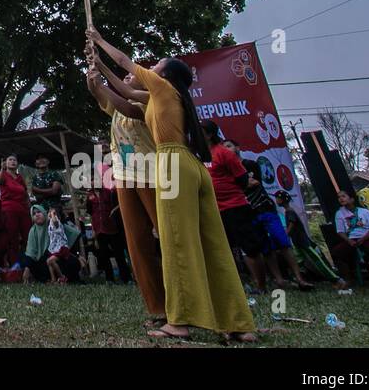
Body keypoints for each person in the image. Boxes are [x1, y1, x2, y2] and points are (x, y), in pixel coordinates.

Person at [87, 27, 255, 342]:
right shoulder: (162, 98)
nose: (149, 71)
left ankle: (178, 321)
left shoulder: (162, 88)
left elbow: (125, 60)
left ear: (165, 75)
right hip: (191, 167)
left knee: (177, 244)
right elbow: (123, 97)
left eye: (155, 67)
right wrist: (98, 65)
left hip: (171, 166)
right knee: (212, 246)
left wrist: (99, 41)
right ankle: (238, 323)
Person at [87, 65, 165, 323]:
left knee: (166, 238)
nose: (127, 77)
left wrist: (103, 70)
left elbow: (126, 106)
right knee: (137, 242)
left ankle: (184, 299)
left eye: (132, 76)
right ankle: (157, 308)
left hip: (152, 173)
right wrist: (93, 80)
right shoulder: (120, 105)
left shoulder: (154, 102)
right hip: (124, 175)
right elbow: (102, 97)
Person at [201, 119, 270, 293]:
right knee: (226, 249)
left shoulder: (224, 153)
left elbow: (242, 179)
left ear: (209, 134)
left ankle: (261, 286)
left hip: (235, 207)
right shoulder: (201, 155)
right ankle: (236, 286)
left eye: (200, 130)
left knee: (250, 248)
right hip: (214, 210)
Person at [242, 160, 312, 290]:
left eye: (230, 146)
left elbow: (255, 182)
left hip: (266, 208)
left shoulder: (249, 164)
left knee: (283, 243)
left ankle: (299, 278)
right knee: (266, 248)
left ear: (237, 148)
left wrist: (240, 186)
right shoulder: (227, 169)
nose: (227, 149)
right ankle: (279, 279)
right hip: (250, 213)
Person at [331, 190, 369, 289]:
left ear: (352, 199)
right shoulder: (339, 214)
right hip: (351, 239)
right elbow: (340, 231)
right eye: (339, 197)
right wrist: (349, 241)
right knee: (337, 252)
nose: (341, 199)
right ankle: (347, 279)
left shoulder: (364, 212)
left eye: (343, 196)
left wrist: (363, 239)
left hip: (367, 237)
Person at [86, 179, 130, 284]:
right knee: (104, 255)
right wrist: (93, 229)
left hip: (112, 228)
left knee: (119, 254)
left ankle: (126, 278)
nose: (94, 183)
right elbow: (91, 213)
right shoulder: (89, 196)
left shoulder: (109, 192)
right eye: (92, 181)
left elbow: (117, 207)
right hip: (99, 229)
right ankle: (109, 279)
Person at [0, 155, 30, 266]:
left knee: (27, 237)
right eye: (10, 160)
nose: (12, 162)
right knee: (12, 238)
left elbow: (25, 193)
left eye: (15, 160)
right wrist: (2, 168)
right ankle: (14, 265)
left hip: (23, 209)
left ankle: (29, 265)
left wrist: (29, 208)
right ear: (5, 163)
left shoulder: (20, 177)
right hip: (9, 209)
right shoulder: (3, 174)